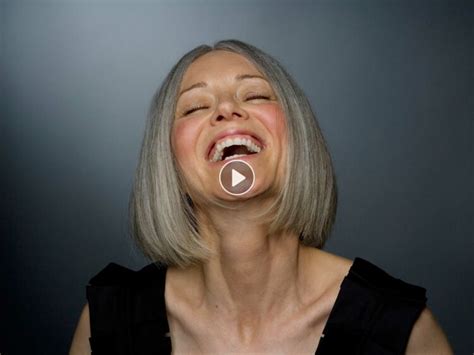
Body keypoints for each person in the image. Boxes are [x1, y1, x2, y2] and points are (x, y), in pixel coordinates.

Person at [69, 39, 453, 354]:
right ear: (169, 164)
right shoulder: (108, 325)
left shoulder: (400, 327)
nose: (227, 110)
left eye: (253, 96)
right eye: (196, 106)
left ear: (297, 139)